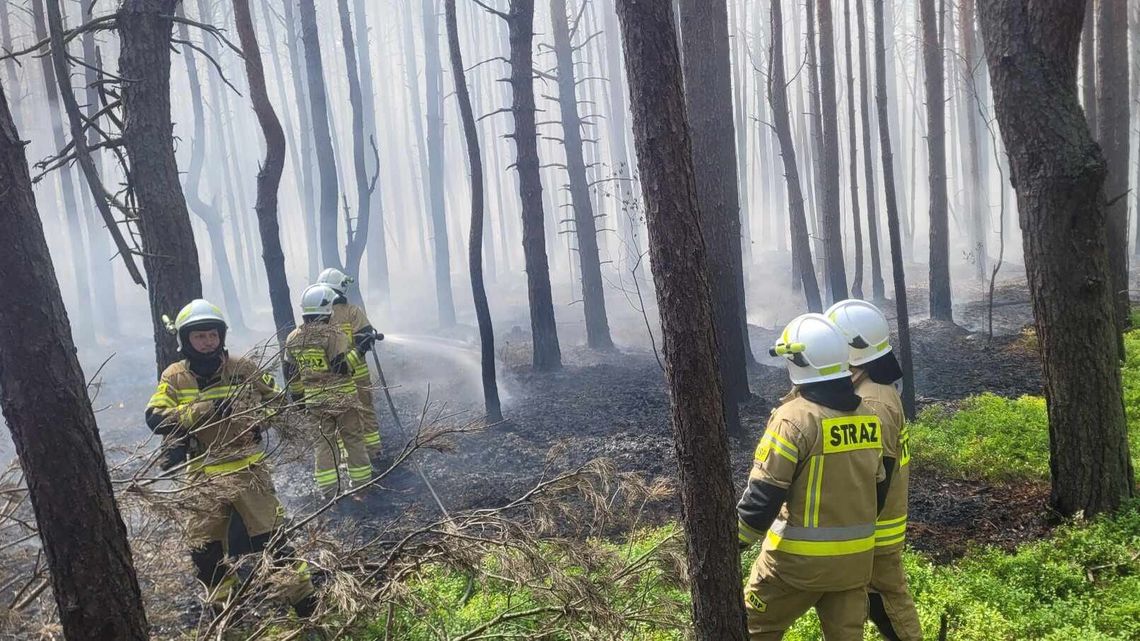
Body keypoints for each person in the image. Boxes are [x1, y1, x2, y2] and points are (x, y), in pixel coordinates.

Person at [144, 299, 316, 616]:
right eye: (199, 337)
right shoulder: (175, 377)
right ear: (186, 340)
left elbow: (278, 403)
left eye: (212, 335)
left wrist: (258, 419)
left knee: (273, 540)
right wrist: (203, 410)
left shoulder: (243, 368)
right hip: (202, 475)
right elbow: (155, 417)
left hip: (249, 470)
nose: (208, 342)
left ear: (222, 336)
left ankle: (304, 603)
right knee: (204, 549)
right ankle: (225, 610)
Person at [738, 313, 890, 640]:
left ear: (798, 362)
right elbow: (878, 490)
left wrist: (733, 541)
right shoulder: (869, 419)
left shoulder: (792, 420)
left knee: (753, 629)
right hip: (854, 566)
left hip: (794, 568)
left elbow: (764, 495)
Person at [827, 299, 922, 641]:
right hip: (874, 523)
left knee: (889, 601)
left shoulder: (874, 401)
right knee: (874, 600)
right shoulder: (871, 389)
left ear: (853, 346)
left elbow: (874, 473)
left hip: (877, 527)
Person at [285, 284, 372, 499]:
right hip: (342, 399)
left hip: (315, 402)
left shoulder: (293, 338)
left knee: (323, 446)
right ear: (327, 309)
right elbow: (340, 367)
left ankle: (329, 492)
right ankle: (362, 486)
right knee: (352, 440)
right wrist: (360, 349)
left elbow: (291, 373)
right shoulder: (334, 334)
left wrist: (299, 400)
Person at [316, 268, 383, 462]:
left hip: (331, 380)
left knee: (339, 416)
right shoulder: (353, 311)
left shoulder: (316, 317)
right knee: (365, 411)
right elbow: (366, 340)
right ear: (341, 288)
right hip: (358, 375)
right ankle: (373, 452)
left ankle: (346, 458)